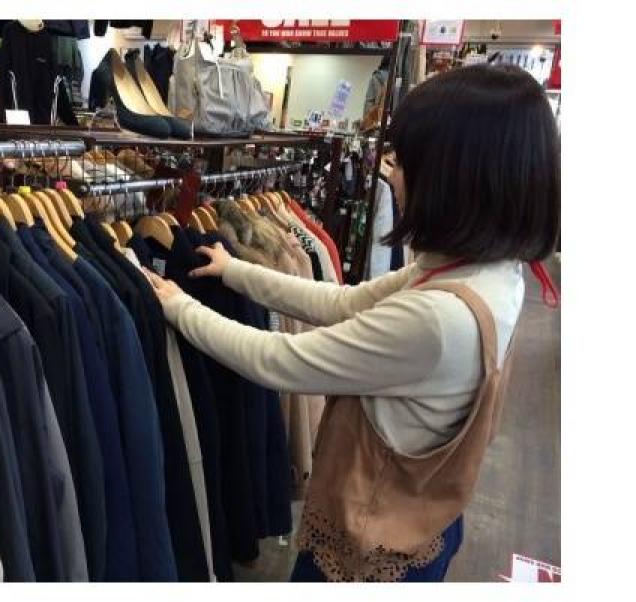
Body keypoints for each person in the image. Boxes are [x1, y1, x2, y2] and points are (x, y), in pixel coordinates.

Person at [143, 64, 560, 582]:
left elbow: (278, 360)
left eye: (403, 162)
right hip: (422, 513)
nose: (392, 175)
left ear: (455, 177)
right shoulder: (488, 271)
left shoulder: (439, 319)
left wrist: (178, 305)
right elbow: (345, 303)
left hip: (372, 544)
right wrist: (237, 271)